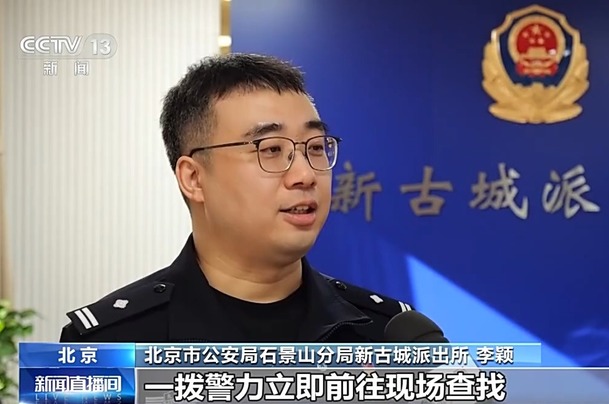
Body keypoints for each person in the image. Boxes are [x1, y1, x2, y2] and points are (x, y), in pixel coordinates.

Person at [59, 53, 415, 343]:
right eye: (271, 149)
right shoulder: (111, 345)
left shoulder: (390, 335)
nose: (306, 175)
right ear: (194, 178)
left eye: (316, 147)